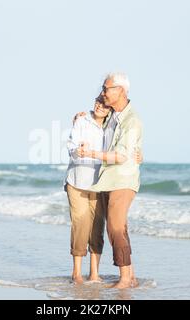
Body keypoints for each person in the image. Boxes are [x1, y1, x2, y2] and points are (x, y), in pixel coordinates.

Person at [76, 72, 142, 289]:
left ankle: (124, 279)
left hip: (123, 180)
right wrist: (79, 118)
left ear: (120, 91)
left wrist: (91, 154)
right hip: (107, 180)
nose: (102, 92)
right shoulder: (113, 114)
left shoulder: (131, 121)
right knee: (118, 228)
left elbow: (122, 156)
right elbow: (96, 125)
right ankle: (130, 277)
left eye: (106, 88)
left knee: (114, 226)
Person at [64, 96, 111, 284]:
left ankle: (94, 274)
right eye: (98, 102)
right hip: (77, 182)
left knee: (98, 227)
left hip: (101, 184)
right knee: (81, 223)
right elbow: (71, 145)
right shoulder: (82, 120)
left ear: (110, 109)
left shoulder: (113, 126)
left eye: (105, 104)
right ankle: (76, 273)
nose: (100, 106)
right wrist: (78, 150)